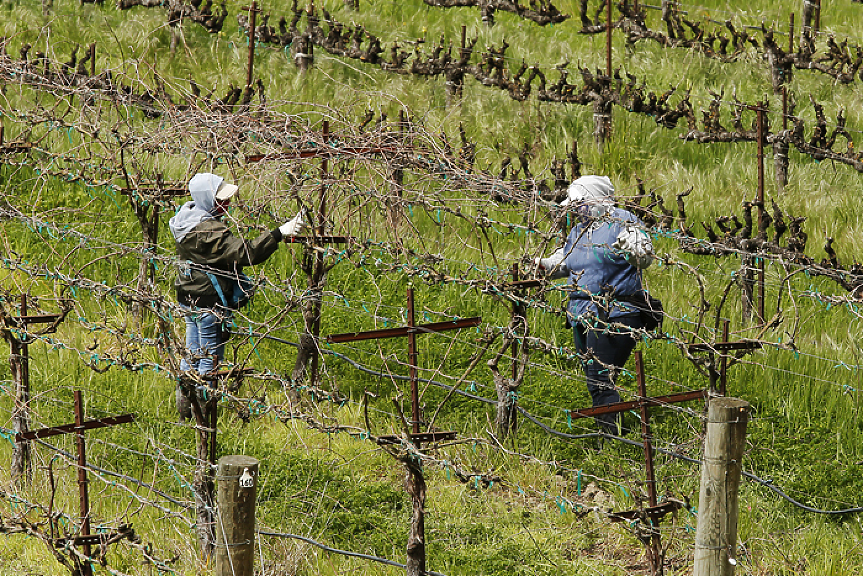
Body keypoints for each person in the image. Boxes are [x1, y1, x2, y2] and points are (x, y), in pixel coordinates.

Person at [169, 172, 306, 417]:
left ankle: (184, 410)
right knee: (209, 361)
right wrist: (279, 233)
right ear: (208, 199)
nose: (227, 203)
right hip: (209, 301)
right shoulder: (207, 229)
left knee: (191, 355)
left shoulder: (185, 218)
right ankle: (204, 415)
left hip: (187, 298)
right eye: (221, 199)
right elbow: (245, 253)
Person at [536, 175, 654, 436]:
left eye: (579, 202)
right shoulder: (579, 230)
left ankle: (611, 439)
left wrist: (635, 249)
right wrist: (542, 265)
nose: (575, 208)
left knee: (600, 379)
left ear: (594, 199)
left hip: (615, 314)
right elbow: (566, 262)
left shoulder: (623, 221)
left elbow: (644, 257)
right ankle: (612, 431)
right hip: (581, 315)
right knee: (595, 376)